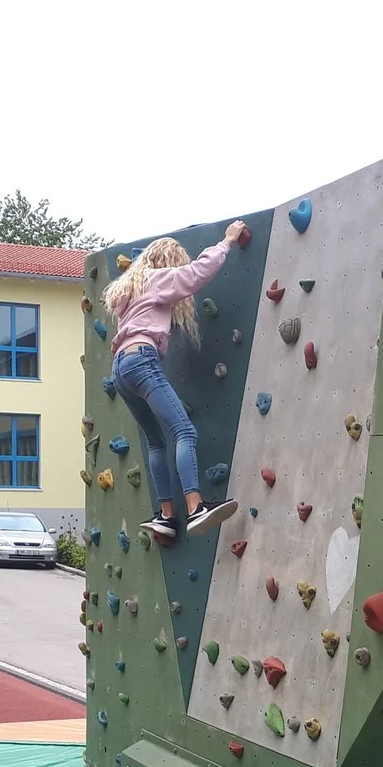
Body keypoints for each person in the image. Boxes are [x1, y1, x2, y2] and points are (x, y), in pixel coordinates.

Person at [104, 225, 246, 543]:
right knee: (184, 431)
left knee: (156, 441)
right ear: (168, 260)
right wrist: (226, 242)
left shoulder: (131, 290)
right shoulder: (157, 279)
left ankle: (166, 515)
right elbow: (197, 273)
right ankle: (195, 507)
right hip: (141, 360)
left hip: (121, 369)